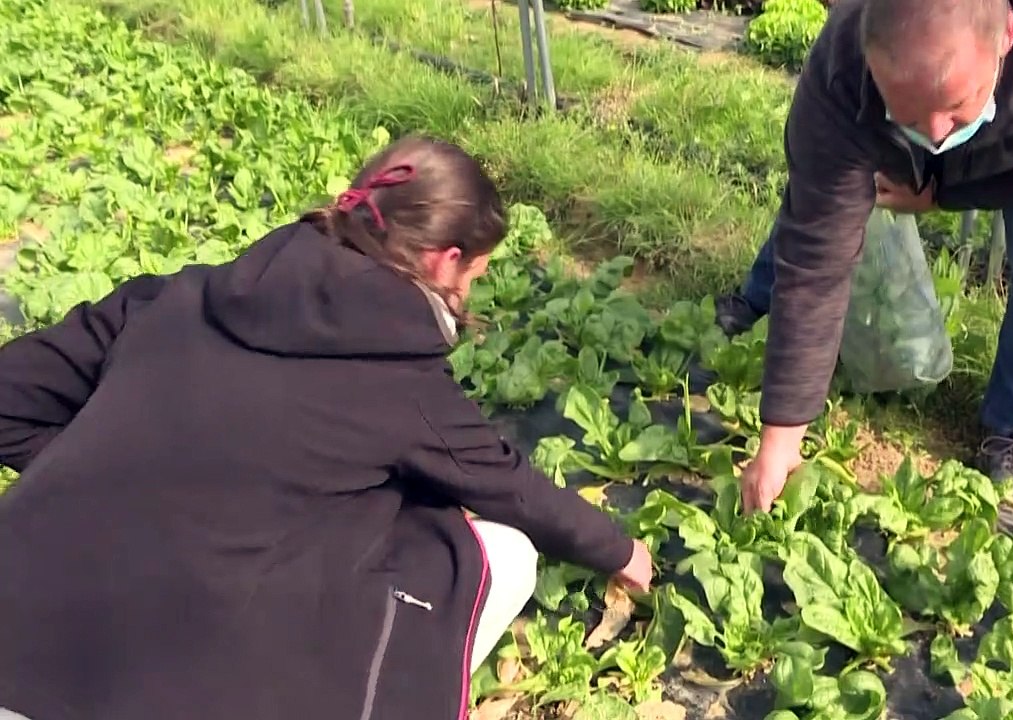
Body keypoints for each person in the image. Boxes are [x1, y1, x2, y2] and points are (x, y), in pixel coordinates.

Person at [0, 135, 652, 720]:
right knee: (501, 552)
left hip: (16, 625)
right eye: (475, 276)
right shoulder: (399, 380)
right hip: (156, 684)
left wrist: (110, 470)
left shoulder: (176, 294)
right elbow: (510, 488)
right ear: (446, 260)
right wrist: (622, 552)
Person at [720, 0, 1013, 512]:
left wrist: (944, 195)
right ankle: (756, 300)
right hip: (873, 109)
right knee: (822, 209)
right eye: (912, 114)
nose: (938, 134)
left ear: (1006, 36)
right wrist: (781, 438)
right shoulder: (841, 72)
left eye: (956, 108)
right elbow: (819, 243)